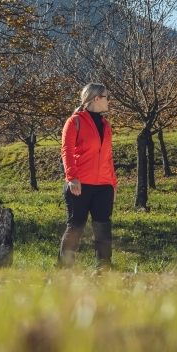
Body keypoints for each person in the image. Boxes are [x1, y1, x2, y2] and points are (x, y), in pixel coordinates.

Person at [58, 83, 118, 270]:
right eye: (107, 97)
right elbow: (66, 151)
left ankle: (104, 267)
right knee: (76, 226)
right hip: (80, 184)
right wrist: (72, 178)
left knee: (103, 227)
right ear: (96, 99)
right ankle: (65, 267)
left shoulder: (106, 125)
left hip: (103, 186)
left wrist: (113, 184)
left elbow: (108, 156)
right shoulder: (74, 121)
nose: (109, 101)